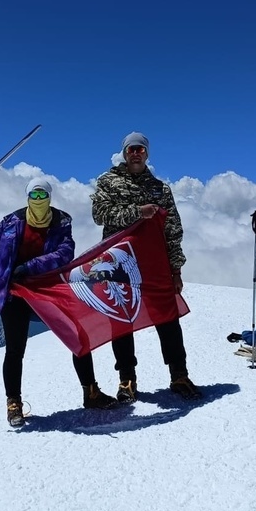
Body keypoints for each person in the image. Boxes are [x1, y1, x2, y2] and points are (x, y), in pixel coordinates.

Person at [0, 178, 117, 428]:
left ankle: (91, 393)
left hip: (46, 292)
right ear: (27, 197)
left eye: (42, 195)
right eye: (34, 195)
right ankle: (14, 404)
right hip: (14, 293)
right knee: (15, 350)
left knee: (78, 337)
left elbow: (65, 253)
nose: (38, 200)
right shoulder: (12, 222)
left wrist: (30, 267)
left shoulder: (61, 222)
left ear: (49, 197)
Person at [90, 132, 202, 403]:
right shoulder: (108, 181)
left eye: (140, 149)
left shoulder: (161, 189)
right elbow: (99, 215)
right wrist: (137, 212)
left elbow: (173, 230)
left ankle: (179, 374)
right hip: (118, 263)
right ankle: (127, 379)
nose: (136, 153)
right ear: (124, 153)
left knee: (167, 316)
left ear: (147, 153)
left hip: (154, 262)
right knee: (122, 320)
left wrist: (176, 270)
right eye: (131, 149)